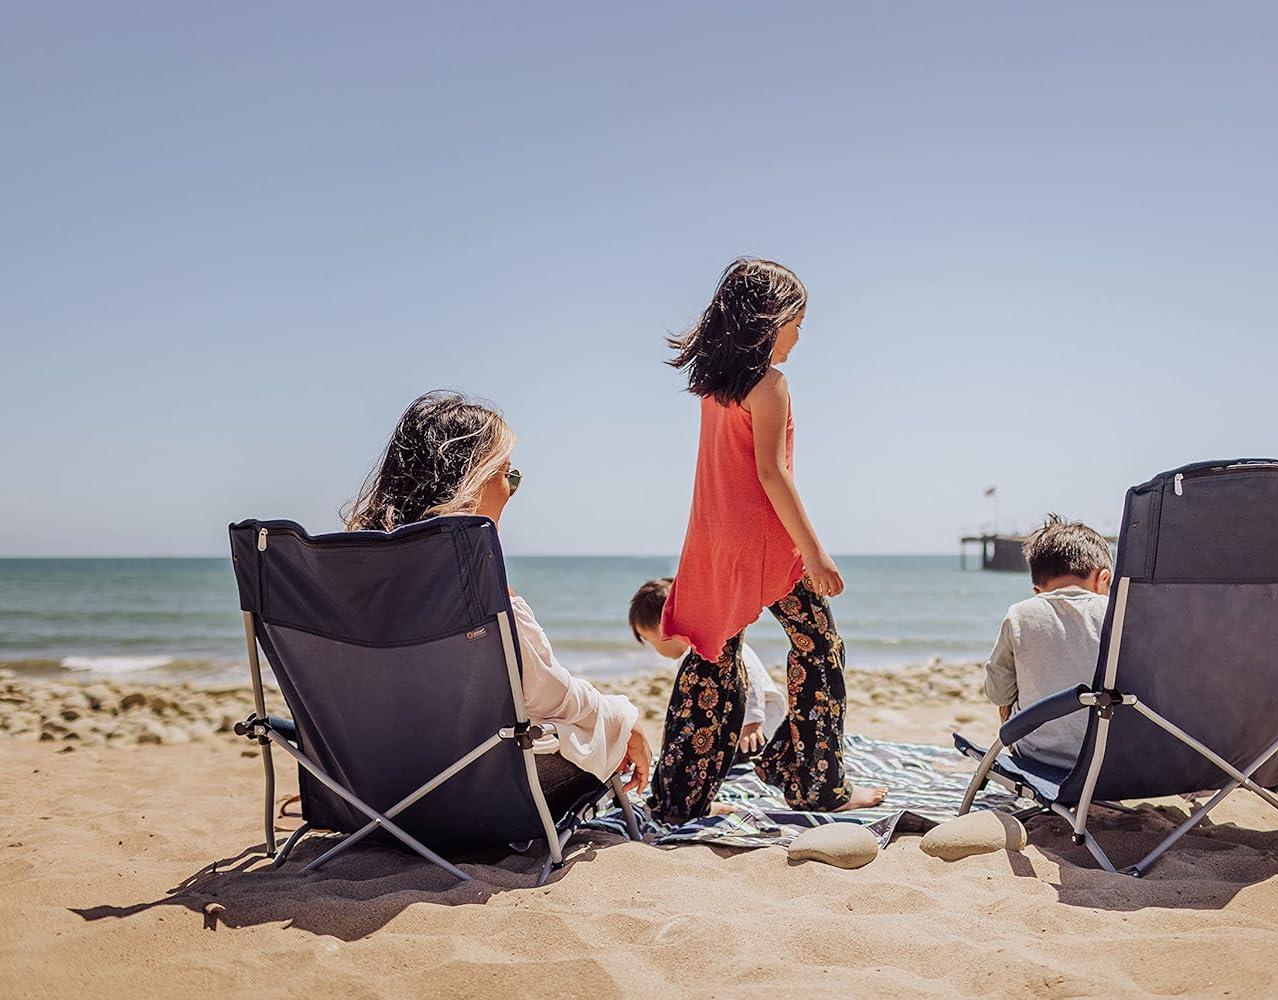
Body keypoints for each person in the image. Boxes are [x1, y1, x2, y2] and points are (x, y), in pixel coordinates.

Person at [651, 258, 886, 824]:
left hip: (710, 537)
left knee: (714, 657)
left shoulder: (713, 386)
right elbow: (772, 474)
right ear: (768, 319)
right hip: (762, 541)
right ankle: (812, 782)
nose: (800, 336)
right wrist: (813, 551)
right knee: (820, 646)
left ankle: (678, 798)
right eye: (797, 322)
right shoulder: (770, 384)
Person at [344, 390, 653, 811]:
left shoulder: (350, 577)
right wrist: (622, 717)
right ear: (470, 483)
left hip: (368, 792)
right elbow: (547, 696)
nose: (511, 491)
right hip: (469, 800)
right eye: (508, 475)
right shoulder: (473, 583)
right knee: (603, 724)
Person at [984, 514, 1113, 770]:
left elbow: (998, 692)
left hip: (1038, 759)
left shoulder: (1020, 614)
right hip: (1114, 761)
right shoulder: (1121, 613)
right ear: (1103, 579)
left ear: (1037, 591)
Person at [629, 577, 787, 755]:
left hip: (759, 719)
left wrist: (753, 720)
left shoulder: (719, 646)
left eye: (652, 641)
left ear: (666, 629)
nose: (655, 649)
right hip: (731, 718)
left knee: (738, 759)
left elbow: (749, 676)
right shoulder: (689, 659)